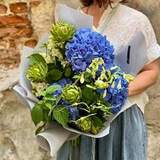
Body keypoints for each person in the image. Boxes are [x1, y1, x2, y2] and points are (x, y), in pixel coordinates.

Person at [56, 0, 160, 159]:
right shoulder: (68, 20)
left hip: (122, 120)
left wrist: (114, 93)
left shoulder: (136, 20)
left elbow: (152, 71)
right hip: (80, 121)